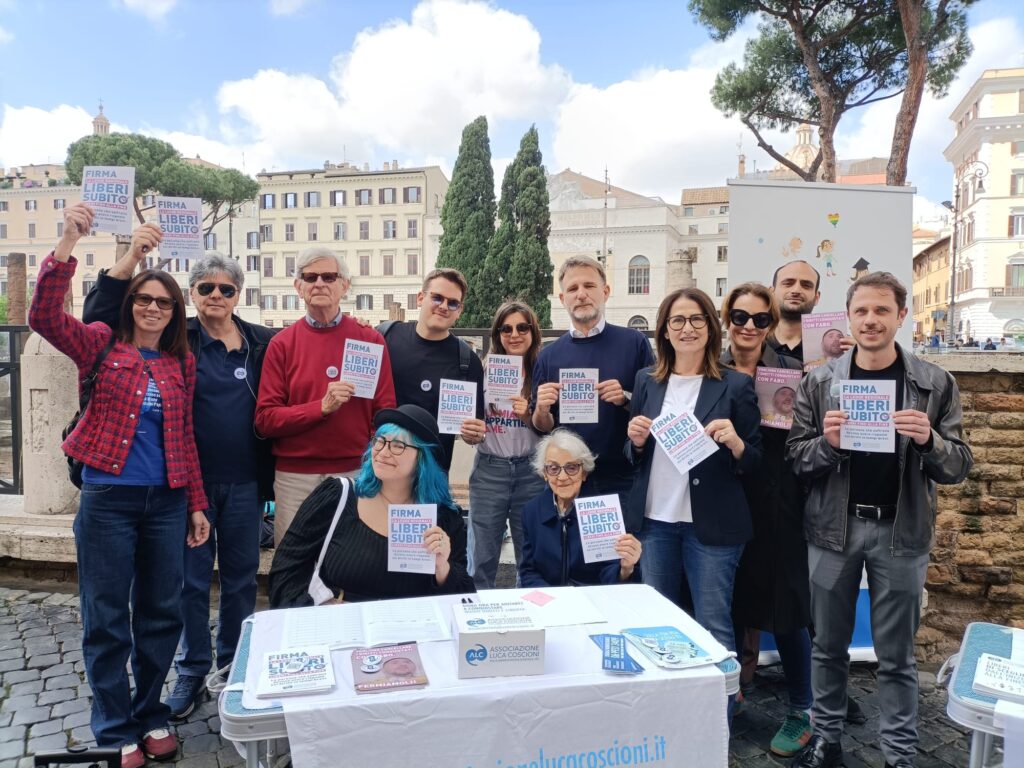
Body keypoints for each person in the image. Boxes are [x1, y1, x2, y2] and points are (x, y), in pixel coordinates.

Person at [29, 203, 208, 768]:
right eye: (144, 299)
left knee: (161, 613)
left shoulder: (180, 363)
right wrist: (67, 242)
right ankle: (113, 725)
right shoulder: (101, 343)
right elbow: (44, 317)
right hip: (108, 500)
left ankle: (150, 712)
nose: (153, 307)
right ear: (130, 303)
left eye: (164, 302)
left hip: (167, 502)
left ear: (175, 313)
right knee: (106, 617)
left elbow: (185, 438)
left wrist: (196, 505)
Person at [787, 272, 973, 768]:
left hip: (901, 533)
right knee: (827, 647)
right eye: (862, 311)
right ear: (849, 317)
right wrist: (827, 445)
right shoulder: (819, 382)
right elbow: (797, 460)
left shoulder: (934, 383)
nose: (871, 320)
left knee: (897, 656)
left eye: (882, 310)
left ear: (901, 316)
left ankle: (899, 754)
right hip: (832, 530)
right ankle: (825, 741)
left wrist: (929, 441)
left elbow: (958, 466)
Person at [84, 251, 277, 720]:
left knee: (241, 578)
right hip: (184, 483)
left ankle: (233, 663)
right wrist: (129, 258)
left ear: (238, 294)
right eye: (206, 288)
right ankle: (192, 669)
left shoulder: (262, 341)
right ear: (192, 293)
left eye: (226, 289)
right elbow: (100, 317)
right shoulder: (175, 338)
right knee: (189, 582)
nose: (216, 296)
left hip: (246, 479)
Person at [626, 287, 761, 662]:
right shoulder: (646, 381)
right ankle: (670, 697)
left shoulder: (736, 385)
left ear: (711, 327)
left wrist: (736, 443)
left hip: (713, 526)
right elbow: (633, 455)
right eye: (678, 320)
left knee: (714, 624)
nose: (688, 328)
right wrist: (635, 442)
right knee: (658, 624)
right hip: (655, 523)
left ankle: (724, 699)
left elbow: (756, 461)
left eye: (697, 319)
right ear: (665, 331)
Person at [719, 283, 812, 756]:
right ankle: (732, 694)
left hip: (779, 501)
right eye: (740, 316)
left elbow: (809, 441)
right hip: (724, 498)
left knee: (787, 606)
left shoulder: (795, 373)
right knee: (730, 601)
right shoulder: (710, 371)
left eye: (760, 319)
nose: (749, 326)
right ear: (727, 320)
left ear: (772, 324)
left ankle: (802, 709)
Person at [255, 246, 396, 545]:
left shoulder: (369, 339)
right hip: (295, 477)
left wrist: (373, 466)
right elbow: (265, 420)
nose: (319, 283)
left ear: (345, 285)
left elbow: (385, 412)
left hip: (354, 471)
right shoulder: (282, 344)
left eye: (329, 276)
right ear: (298, 287)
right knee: (294, 562)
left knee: (351, 560)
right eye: (310, 277)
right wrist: (320, 407)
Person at [268, 404, 475, 607]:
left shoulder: (444, 517)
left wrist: (442, 567)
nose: (383, 452)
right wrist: (307, 614)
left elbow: (464, 599)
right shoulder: (338, 496)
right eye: (380, 441)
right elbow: (287, 567)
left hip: (409, 624)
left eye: (398, 446)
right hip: (339, 622)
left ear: (423, 458)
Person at [533, 256, 654, 508]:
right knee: (566, 536)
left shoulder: (634, 342)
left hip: (622, 476)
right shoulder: (548, 355)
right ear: (562, 298)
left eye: (589, 286)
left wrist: (625, 398)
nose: (581, 294)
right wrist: (542, 410)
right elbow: (542, 427)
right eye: (572, 289)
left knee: (625, 536)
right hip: (567, 478)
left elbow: (655, 406)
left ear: (605, 292)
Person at [468, 301, 546, 588]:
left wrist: (529, 415)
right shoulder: (483, 369)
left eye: (522, 328)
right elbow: (472, 419)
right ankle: (478, 612)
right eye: (506, 329)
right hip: (490, 468)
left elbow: (552, 429)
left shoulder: (543, 371)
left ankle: (526, 612)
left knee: (530, 556)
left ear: (533, 332)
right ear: (497, 334)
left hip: (532, 471)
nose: (515, 335)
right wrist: (470, 432)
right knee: (481, 556)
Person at [379, 268, 485, 472]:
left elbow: (472, 427)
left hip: (432, 472)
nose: (444, 306)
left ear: (459, 310)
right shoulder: (385, 337)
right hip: (382, 465)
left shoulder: (467, 360)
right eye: (437, 298)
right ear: (421, 298)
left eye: (452, 303)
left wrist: (474, 433)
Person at [518, 429, 641, 587]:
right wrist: (552, 598)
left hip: (592, 597)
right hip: (550, 597)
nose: (562, 477)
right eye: (553, 468)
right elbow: (529, 571)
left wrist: (625, 569)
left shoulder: (605, 509)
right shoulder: (531, 511)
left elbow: (610, 571)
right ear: (545, 474)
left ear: (584, 473)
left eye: (571, 468)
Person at [768, 260, 822, 365]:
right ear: (771, 292)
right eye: (788, 283)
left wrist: (855, 359)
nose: (796, 290)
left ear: (817, 297)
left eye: (806, 285)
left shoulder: (837, 346)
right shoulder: (753, 340)